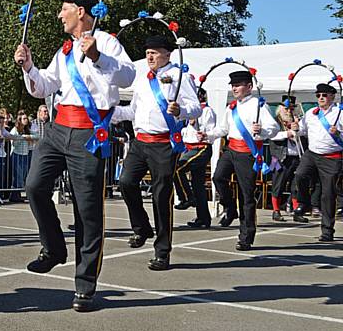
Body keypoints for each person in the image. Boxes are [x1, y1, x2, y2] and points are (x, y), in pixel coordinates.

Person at [14, 0, 135, 312]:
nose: (59, 14)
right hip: (58, 129)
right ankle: (54, 249)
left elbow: (128, 76)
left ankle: (85, 286)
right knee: (34, 186)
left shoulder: (107, 41)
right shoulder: (65, 50)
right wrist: (28, 67)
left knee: (87, 211)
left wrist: (97, 55)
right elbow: (44, 87)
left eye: (63, 8)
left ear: (80, 11)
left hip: (89, 133)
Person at [113, 36, 201, 271]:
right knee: (126, 183)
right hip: (140, 142)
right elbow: (133, 111)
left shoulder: (180, 77)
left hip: (163, 144)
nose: (149, 57)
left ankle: (162, 252)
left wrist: (181, 110)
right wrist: (109, 113)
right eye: (147, 52)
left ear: (167, 54)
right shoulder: (144, 80)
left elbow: (196, 108)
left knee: (161, 197)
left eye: (154, 52)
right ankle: (142, 228)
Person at [202, 71, 279, 251]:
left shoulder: (259, 105)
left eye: (238, 85)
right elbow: (223, 129)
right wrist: (208, 135)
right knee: (218, 178)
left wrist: (261, 131)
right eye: (233, 85)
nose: (234, 88)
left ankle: (246, 236)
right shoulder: (232, 107)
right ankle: (230, 208)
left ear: (249, 87)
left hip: (247, 153)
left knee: (246, 195)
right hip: (231, 149)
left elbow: (273, 129)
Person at [293, 83, 343, 242]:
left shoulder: (340, 113)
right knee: (299, 175)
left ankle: (327, 230)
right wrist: (295, 127)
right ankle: (304, 202)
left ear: (332, 96)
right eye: (318, 95)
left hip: (331, 157)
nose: (321, 98)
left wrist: (339, 132)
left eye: (324, 95)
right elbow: (301, 130)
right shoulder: (310, 113)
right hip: (312, 153)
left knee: (328, 194)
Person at [173, 87, 216, 227]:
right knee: (198, 186)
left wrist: (197, 125)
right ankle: (203, 218)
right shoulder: (189, 111)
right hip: (190, 148)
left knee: (177, 168)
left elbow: (209, 131)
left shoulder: (206, 110)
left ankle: (186, 197)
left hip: (201, 148)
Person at [269, 96, 306, 222]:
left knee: (296, 186)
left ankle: (296, 211)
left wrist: (298, 129)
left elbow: (304, 135)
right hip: (280, 158)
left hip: (297, 157)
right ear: (280, 109)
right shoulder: (275, 121)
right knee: (278, 185)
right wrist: (286, 133)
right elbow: (271, 135)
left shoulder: (297, 122)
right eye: (286, 108)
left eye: (291, 108)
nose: (289, 111)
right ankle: (276, 211)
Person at [9, 110, 34, 203]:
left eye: (26, 118)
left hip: (25, 154)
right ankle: (14, 194)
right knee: (17, 176)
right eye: (24, 118)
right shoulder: (15, 130)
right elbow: (14, 142)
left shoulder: (27, 130)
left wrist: (30, 137)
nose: (26, 120)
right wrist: (22, 137)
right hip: (17, 154)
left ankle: (17, 194)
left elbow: (36, 136)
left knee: (23, 175)